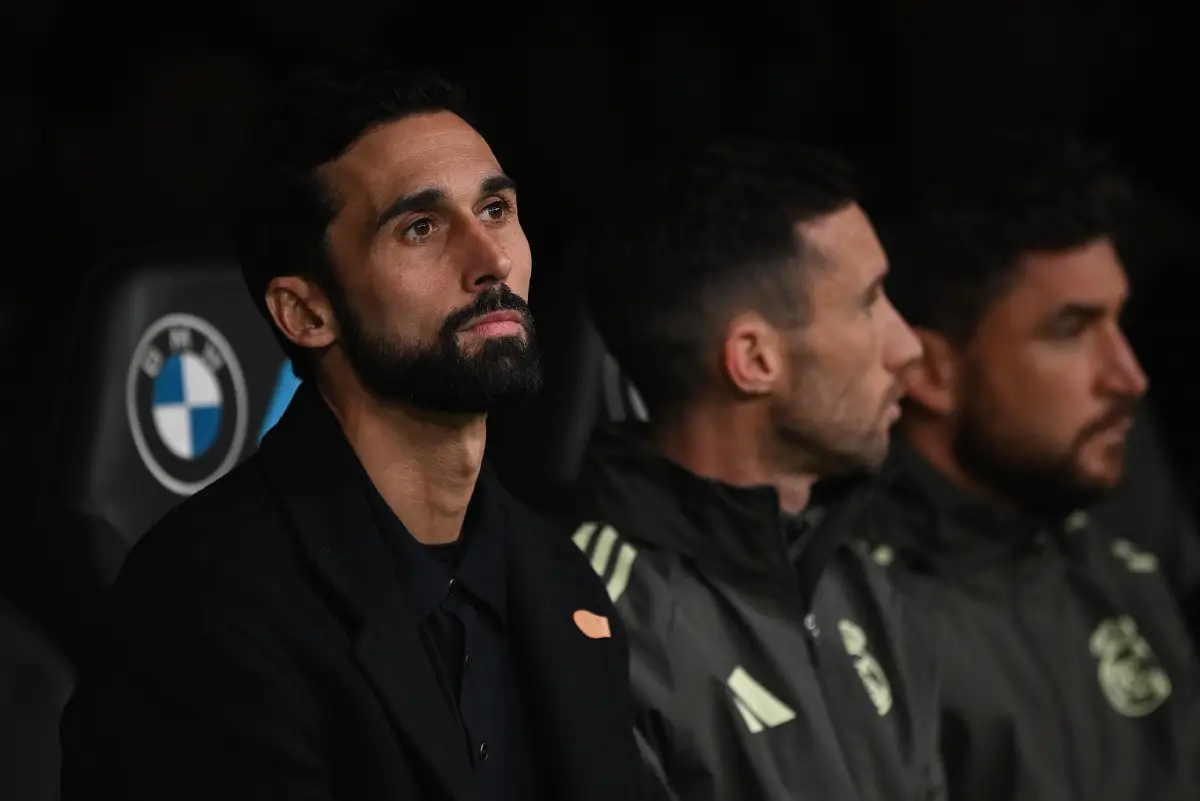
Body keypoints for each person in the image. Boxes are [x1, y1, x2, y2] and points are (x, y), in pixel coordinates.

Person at [59, 63, 644, 801]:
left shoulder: (562, 578)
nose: (491, 260)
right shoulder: (205, 605)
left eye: (495, 210)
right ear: (306, 313)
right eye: (422, 227)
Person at [570, 140, 943, 800]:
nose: (909, 346)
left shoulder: (862, 584)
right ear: (754, 359)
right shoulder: (594, 621)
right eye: (869, 302)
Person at [866, 131, 1200, 801]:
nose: (1127, 377)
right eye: (1071, 330)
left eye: (1119, 322)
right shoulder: (860, 622)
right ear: (929, 370)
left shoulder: (1127, 573)